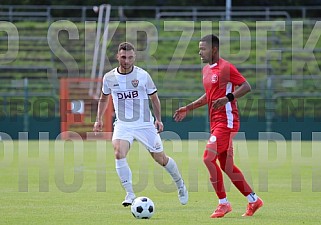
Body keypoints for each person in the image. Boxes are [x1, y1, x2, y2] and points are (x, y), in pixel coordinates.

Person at [173, 34, 263, 218]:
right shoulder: (206, 70)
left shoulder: (226, 68)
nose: (200, 52)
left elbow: (246, 86)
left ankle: (224, 203)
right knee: (227, 167)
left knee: (208, 158)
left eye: (203, 49)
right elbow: (209, 96)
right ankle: (254, 200)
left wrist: (227, 98)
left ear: (214, 49)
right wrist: (188, 107)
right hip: (216, 124)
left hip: (227, 123)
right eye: (199, 49)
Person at [93, 42, 188, 207]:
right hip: (123, 124)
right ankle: (129, 194)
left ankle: (180, 185)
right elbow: (103, 98)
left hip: (145, 124)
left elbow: (154, 98)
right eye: (123, 57)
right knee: (118, 152)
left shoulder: (143, 76)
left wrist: (158, 119)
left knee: (161, 159)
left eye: (130, 57)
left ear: (134, 57)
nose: (127, 61)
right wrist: (98, 119)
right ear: (117, 57)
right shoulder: (109, 78)